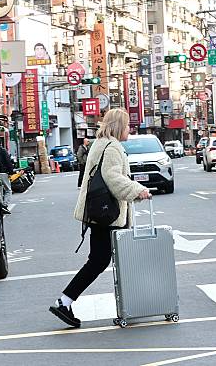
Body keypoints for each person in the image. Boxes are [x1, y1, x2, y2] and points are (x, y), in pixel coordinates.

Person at [49, 109, 151, 328]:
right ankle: (64, 302)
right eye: (126, 126)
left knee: (103, 259)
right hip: (108, 215)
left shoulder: (100, 143)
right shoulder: (112, 146)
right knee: (101, 260)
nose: (129, 130)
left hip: (100, 213)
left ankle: (66, 301)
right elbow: (113, 178)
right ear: (117, 126)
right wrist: (138, 190)